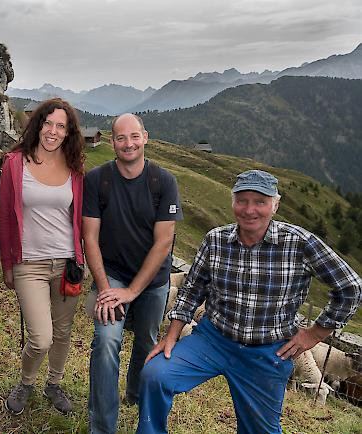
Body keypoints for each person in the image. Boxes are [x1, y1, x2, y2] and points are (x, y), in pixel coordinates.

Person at [138, 170, 362, 434]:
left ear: (275, 205)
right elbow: (191, 290)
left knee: (260, 430)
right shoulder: (216, 240)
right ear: (233, 202)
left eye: (260, 201)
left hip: (267, 352)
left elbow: (350, 287)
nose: (249, 210)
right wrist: (172, 335)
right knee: (155, 376)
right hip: (213, 339)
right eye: (242, 200)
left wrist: (314, 335)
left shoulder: (300, 243)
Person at [82, 113, 183, 433]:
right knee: (107, 340)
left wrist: (133, 291)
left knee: (146, 341)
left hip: (152, 280)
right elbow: (89, 237)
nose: (128, 143)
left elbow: (164, 241)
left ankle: (136, 394)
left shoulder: (163, 181)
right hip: (111, 274)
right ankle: (102, 426)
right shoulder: (97, 180)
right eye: (121, 138)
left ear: (146, 137)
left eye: (134, 136)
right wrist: (104, 289)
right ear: (112, 142)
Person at [0, 98, 86, 415]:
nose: (53, 131)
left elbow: (78, 218)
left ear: (68, 132)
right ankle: (26, 381)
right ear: (38, 125)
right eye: (48, 123)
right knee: (41, 337)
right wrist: (7, 265)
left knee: (63, 332)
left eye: (60, 126)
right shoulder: (15, 163)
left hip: (67, 264)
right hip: (29, 264)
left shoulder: (75, 166)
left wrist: (81, 257)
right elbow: (6, 216)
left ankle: (54, 383)